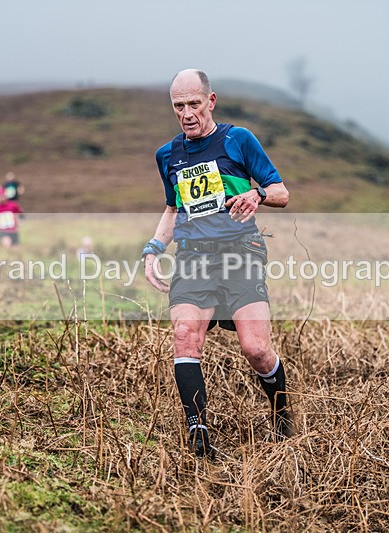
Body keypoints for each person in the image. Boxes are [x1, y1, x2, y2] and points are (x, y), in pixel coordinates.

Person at [142, 69, 292, 458]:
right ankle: (199, 432)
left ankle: (282, 415)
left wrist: (257, 195)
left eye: (194, 104)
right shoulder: (168, 155)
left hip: (241, 252)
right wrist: (154, 248)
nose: (187, 113)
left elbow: (281, 192)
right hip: (193, 257)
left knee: (256, 349)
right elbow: (174, 208)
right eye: (179, 106)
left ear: (210, 101)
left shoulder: (237, 140)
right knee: (185, 334)